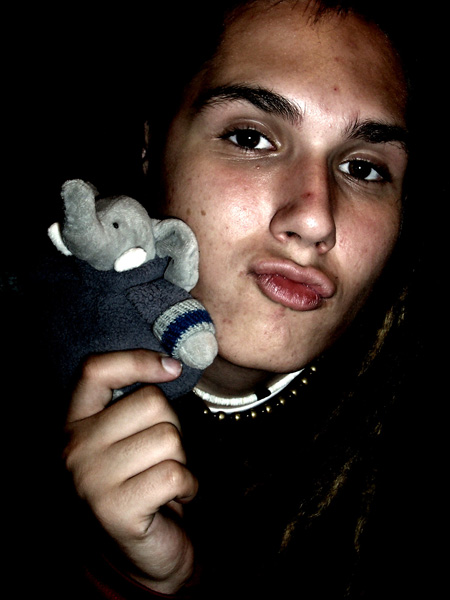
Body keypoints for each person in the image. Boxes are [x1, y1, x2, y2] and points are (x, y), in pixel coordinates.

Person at [6, 0, 442, 598]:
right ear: (152, 147)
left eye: (364, 169)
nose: (314, 219)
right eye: (250, 138)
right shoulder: (20, 361)